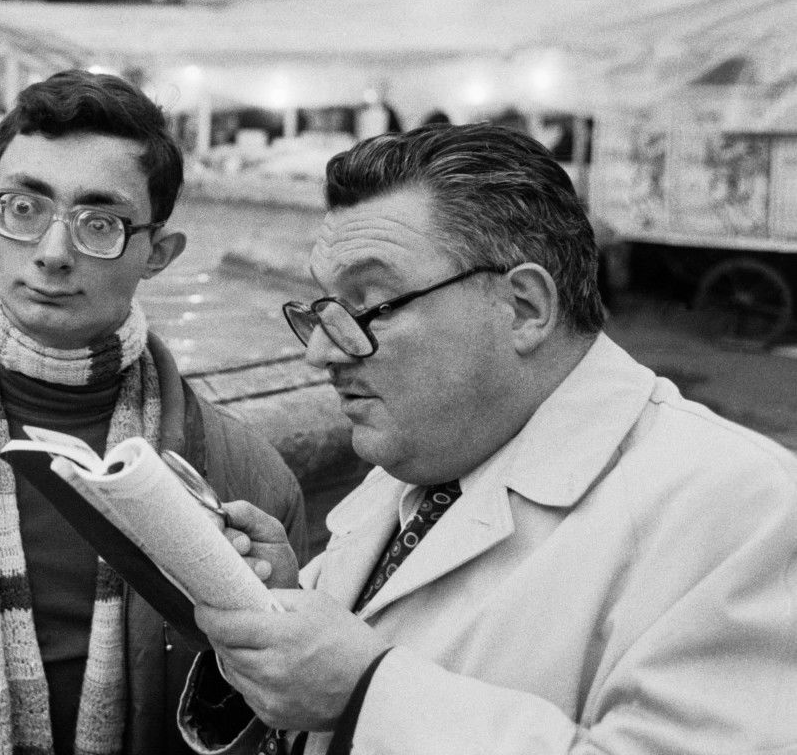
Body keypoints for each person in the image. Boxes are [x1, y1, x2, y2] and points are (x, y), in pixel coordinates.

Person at [182, 123, 797, 755]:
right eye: (323, 309)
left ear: (525, 307)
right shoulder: (431, 451)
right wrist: (282, 610)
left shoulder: (748, 507)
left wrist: (370, 693)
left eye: (369, 306)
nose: (320, 351)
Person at [0, 70, 307, 755]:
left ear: (158, 253)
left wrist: (276, 618)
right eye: (24, 208)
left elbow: (281, 731)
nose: (52, 253)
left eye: (99, 223)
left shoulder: (251, 477)